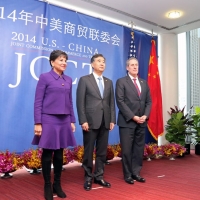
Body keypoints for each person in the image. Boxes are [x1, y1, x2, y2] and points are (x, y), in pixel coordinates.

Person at [32, 50, 76, 200]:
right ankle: (47, 185)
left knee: (59, 153)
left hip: (64, 120)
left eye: (65, 60)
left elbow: (70, 102)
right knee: (47, 153)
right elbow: (38, 101)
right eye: (60, 60)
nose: (64, 62)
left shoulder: (69, 79)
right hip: (48, 119)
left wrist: (72, 120)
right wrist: (38, 122)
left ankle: (57, 184)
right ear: (52, 62)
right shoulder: (45, 77)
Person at [76, 54, 116, 191]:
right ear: (92, 64)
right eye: (99, 61)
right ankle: (88, 177)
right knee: (88, 152)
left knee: (102, 152)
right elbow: (80, 102)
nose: (102, 64)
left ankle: (99, 176)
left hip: (105, 121)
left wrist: (112, 119)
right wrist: (83, 120)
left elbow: (111, 102)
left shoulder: (108, 82)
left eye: (104, 61)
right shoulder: (84, 80)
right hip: (90, 122)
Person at [115, 57, 152, 185]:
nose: (135, 67)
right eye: (132, 65)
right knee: (127, 150)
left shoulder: (144, 82)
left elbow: (148, 102)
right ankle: (128, 175)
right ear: (127, 67)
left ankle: (136, 173)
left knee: (138, 149)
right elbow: (120, 101)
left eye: (136, 64)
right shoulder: (121, 82)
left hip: (142, 122)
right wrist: (133, 117)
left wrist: (145, 116)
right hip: (127, 122)